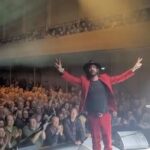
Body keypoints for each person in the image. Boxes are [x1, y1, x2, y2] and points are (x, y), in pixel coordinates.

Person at [55, 57, 142, 150]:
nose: (91, 69)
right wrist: (62, 71)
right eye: (90, 68)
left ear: (97, 69)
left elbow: (120, 78)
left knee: (108, 142)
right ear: (88, 70)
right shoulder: (84, 81)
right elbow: (72, 79)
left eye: (93, 67)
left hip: (105, 115)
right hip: (93, 117)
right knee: (96, 142)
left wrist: (133, 69)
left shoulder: (105, 78)